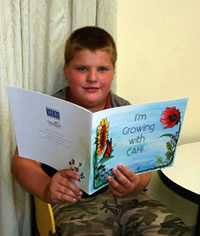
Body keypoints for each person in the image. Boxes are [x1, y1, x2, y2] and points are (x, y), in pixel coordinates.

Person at [12, 26, 191, 236]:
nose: (92, 78)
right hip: (73, 201)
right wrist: (45, 188)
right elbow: (22, 162)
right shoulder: (50, 111)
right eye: (82, 69)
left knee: (174, 230)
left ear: (113, 72)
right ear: (66, 70)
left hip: (130, 200)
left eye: (102, 69)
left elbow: (145, 170)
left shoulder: (125, 110)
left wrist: (135, 183)